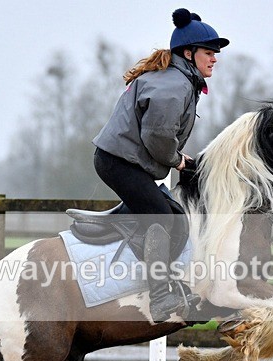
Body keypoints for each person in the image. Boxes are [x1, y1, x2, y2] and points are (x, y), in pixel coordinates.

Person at [92, 8, 229, 322]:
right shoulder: (174, 85)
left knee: (171, 213)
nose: (215, 59)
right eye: (209, 52)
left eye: (215, 53)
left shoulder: (178, 80)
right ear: (188, 53)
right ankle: (158, 298)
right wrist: (179, 161)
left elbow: (160, 136)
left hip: (124, 161)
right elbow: (156, 136)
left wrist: (179, 158)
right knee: (162, 218)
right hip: (118, 162)